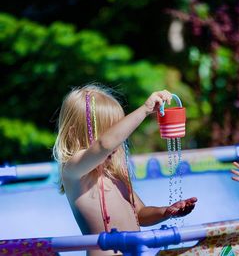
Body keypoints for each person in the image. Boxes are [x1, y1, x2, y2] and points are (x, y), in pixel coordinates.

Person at [53, 84, 197, 255]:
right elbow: (104, 145)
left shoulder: (115, 176)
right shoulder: (73, 171)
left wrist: (165, 211)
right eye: (111, 133)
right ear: (74, 134)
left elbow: (141, 213)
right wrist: (145, 109)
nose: (118, 140)